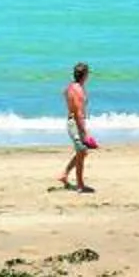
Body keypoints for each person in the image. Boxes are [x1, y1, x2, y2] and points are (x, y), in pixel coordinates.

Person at [58, 62, 98, 193]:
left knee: (82, 152)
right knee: (81, 152)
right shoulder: (78, 90)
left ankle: (64, 175)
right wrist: (84, 131)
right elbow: (78, 112)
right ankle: (80, 185)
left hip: (72, 121)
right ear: (85, 75)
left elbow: (65, 95)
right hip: (75, 122)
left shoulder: (70, 87)